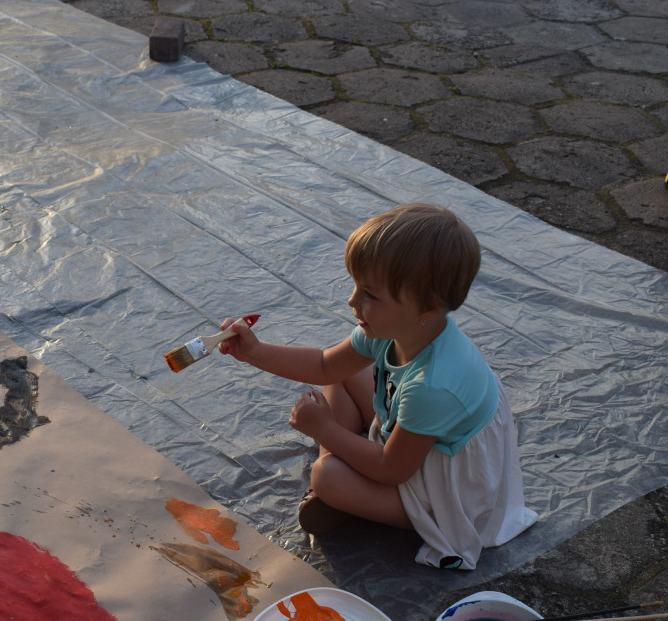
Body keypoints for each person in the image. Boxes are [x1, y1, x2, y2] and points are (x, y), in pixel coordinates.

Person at [218, 203, 537, 570]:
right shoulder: (399, 331)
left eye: (370, 294)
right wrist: (253, 351)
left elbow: (391, 469)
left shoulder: (433, 387)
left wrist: (323, 429)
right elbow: (324, 364)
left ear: (427, 307)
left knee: (327, 475)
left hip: (445, 492)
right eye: (356, 286)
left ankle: (338, 487)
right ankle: (344, 481)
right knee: (338, 373)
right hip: (414, 440)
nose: (353, 301)